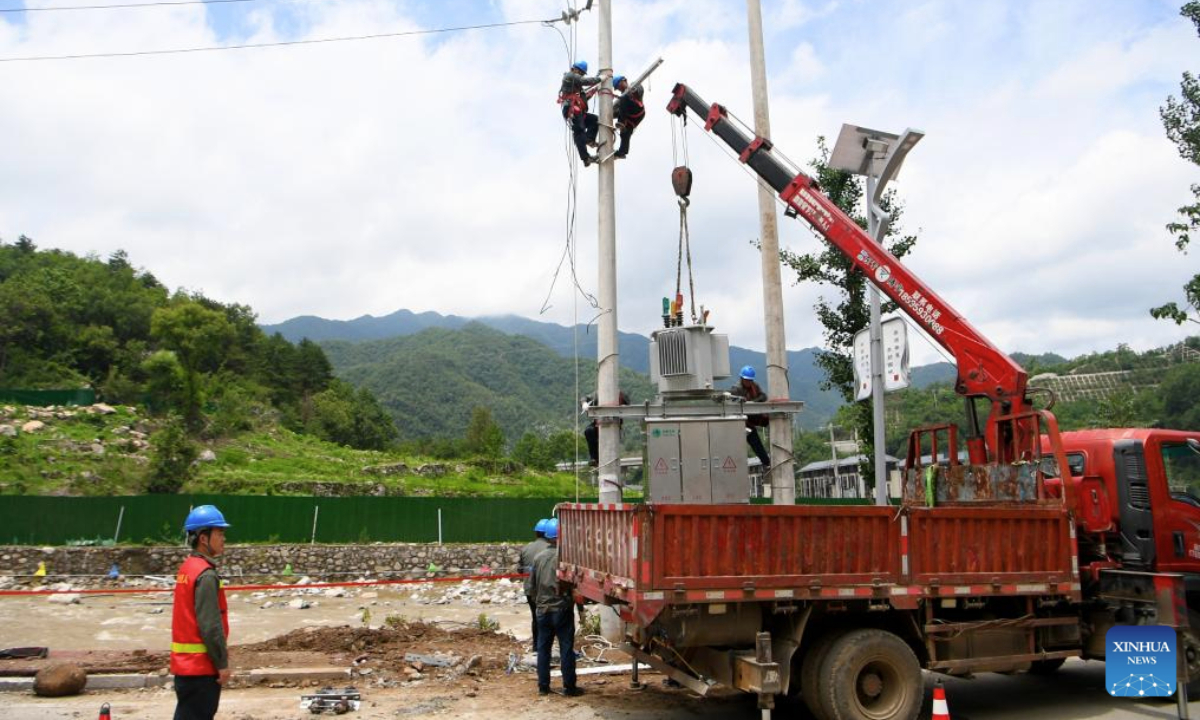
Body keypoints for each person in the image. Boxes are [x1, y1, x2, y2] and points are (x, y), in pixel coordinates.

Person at [171, 505, 232, 720]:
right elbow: (210, 626)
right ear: (204, 538)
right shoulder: (206, 575)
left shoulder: (187, 568)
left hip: (186, 669)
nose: (224, 538)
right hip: (201, 670)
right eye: (220, 533)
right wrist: (222, 664)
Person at [531, 519, 582, 697]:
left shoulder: (538, 559)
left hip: (543, 611)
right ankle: (569, 687)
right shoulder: (566, 559)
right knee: (566, 648)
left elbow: (532, 588)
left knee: (543, 649)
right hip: (561, 609)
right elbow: (575, 585)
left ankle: (543, 686)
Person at [558, 60, 601, 166]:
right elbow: (587, 81)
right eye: (581, 72)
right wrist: (600, 78)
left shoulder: (576, 87)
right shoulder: (570, 76)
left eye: (582, 73)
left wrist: (592, 91)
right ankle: (586, 158)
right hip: (572, 109)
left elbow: (582, 97)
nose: (581, 75)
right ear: (574, 69)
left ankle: (589, 140)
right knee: (579, 131)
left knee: (594, 120)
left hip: (578, 110)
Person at [519, 519, 552, 653]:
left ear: (536, 533)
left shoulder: (526, 548)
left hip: (529, 590)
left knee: (535, 617)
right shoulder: (550, 549)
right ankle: (545, 648)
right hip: (546, 589)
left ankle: (536, 647)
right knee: (550, 618)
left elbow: (520, 570)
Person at [731, 365, 771, 471]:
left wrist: (753, 402)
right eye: (746, 380)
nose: (749, 382)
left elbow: (763, 396)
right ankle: (766, 462)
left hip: (753, 418)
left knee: (769, 421)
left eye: (750, 380)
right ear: (742, 379)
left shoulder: (754, 386)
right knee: (753, 441)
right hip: (741, 421)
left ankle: (767, 462)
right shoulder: (736, 389)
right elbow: (732, 402)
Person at [583, 390, 629, 467]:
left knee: (607, 438)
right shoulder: (597, 394)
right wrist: (584, 403)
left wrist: (624, 407)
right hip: (598, 423)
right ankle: (594, 458)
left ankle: (600, 456)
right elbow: (584, 398)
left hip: (614, 425)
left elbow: (628, 403)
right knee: (589, 431)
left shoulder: (620, 394)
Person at [612, 75, 645, 159]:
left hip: (637, 109)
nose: (619, 89)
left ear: (623, 81)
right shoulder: (624, 97)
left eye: (618, 86)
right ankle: (622, 152)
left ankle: (621, 122)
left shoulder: (634, 85)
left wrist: (631, 91)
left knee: (623, 98)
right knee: (625, 133)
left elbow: (640, 91)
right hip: (630, 117)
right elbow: (621, 108)